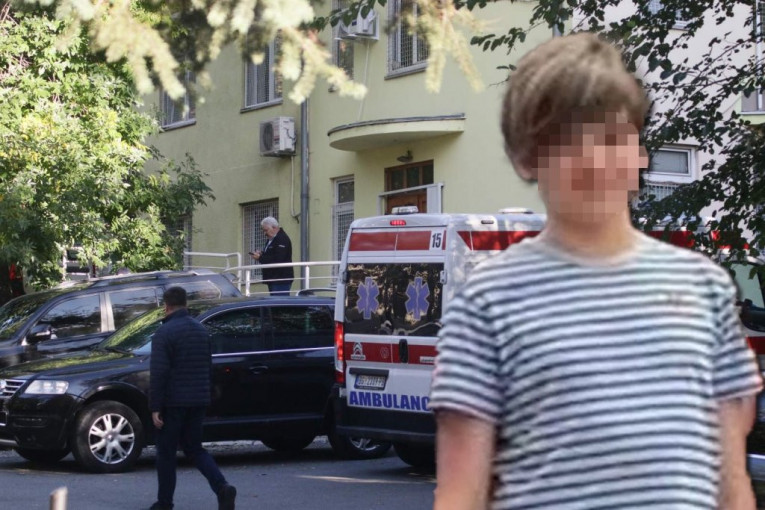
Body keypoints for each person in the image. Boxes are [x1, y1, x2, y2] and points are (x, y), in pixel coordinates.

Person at [429, 32, 762, 510]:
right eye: (566, 142)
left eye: (610, 138)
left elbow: (731, 481)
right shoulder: (486, 303)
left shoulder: (704, 288)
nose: (592, 161)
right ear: (526, 158)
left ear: (639, 152)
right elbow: (461, 493)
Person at [149, 286, 236, 510]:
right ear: (185, 304)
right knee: (195, 448)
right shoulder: (200, 330)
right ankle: (222, 487)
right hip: (198, 399)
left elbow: (159, 372)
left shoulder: (164, 333)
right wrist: (207, 394)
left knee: (166, 453)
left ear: (166, 306)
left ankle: (165, 502)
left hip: (173, 402)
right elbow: (207, 366)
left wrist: (155, 406)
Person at [249, 216, 294, 295]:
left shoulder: (282, 239)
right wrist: (262, 254)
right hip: (273, 278)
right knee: (274, 300)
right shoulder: (272, 239)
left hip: (280, 279)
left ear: (274, 227)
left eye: (266, 230)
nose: (265, 233)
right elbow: (272, 254)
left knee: (278, 301)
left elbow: (278, 259)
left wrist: (260, 258)